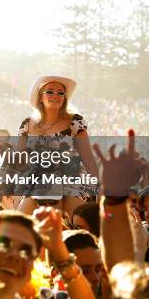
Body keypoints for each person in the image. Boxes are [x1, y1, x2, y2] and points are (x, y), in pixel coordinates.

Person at [17, 75, 99, 216]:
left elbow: (89, 160)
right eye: (50, 91)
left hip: (71, 183)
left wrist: (100, 190)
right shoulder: (26, 124)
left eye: (60, 92)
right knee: (20, 220)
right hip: (37, 184)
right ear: (40, 97)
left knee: (77, 217)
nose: (56, 95)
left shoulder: (75, 122)